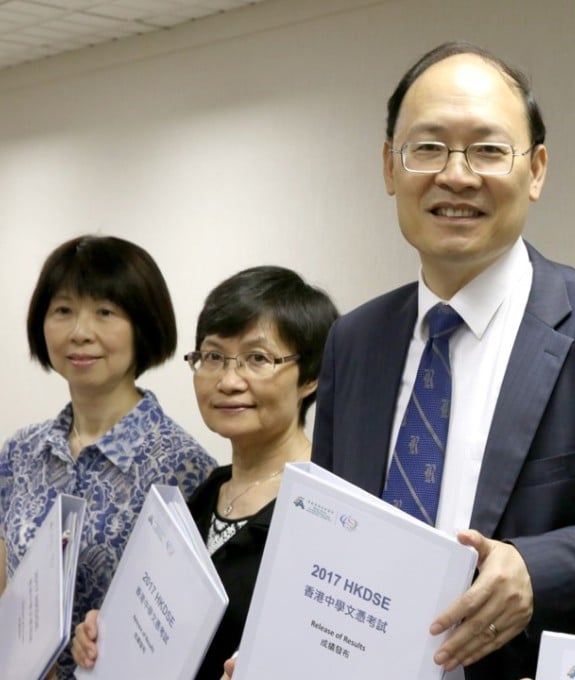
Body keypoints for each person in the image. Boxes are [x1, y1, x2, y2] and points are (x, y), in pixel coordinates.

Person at [311, 41, 575, 680]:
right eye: (427, 148)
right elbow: (333, 534)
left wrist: (539, 569)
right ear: (390, 168)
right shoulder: (353, 341)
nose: (456, 176)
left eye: (488, 150)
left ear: (537, 170)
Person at [70, 265, 339, 679]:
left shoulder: (329, 510)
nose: (228, 381)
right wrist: (107, 634)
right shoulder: (207, 490)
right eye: (212, 356)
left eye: (257, 359)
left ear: (311, 377)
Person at [0, 235, 218, 679]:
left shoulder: (184, 469)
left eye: (105, 311)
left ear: (144, 325)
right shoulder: (20, 452)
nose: (80, 332)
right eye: (63, 310)